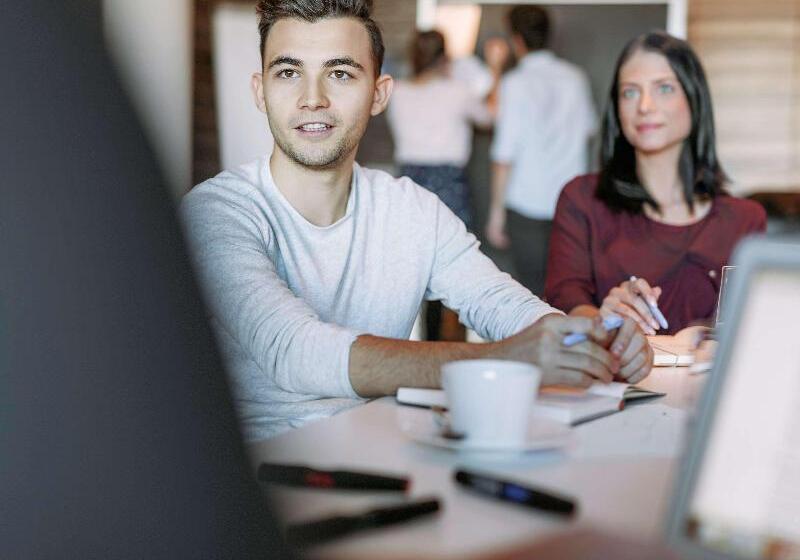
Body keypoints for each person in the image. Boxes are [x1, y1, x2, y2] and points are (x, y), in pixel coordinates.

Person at [180, 0, 652, 441]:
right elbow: (295, 352)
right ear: (260, 92)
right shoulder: (218, 213)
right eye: (288, 73)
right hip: (260, 480)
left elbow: (502, 305)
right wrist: (505, 358)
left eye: (340, 73)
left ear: (380, 94)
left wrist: (591, 341)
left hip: (388, 455)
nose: (313, 98)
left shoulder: (414, 210)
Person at [545, 31, 766, 335]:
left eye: (664, 88)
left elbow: (753, 331)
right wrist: (601, 321)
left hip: (703, 382)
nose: (645, 106)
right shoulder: (582, 199)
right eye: (630, 92)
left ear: (694, 98)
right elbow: (565, 298)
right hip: (611, 380)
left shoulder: (745, 219)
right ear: (617, 109)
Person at [386, 30, 504, 341]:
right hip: (449, 180)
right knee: (455, 262)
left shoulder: (397, 91)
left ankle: (423, 342)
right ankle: (450, 344)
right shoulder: (457, 90)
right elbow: (490, 118)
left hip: (409, 180)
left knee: (415, 265)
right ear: (444, 58)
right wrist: (495, 68)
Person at [486, 5, 596, 296]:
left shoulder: (514, 83)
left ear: (517, 39)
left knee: (531, 294)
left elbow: (504, 154)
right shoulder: (575, 77)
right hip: (570, 202)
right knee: (569, 290)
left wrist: (496, 214)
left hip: (526, 202)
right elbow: (589, 130)